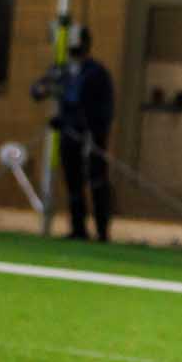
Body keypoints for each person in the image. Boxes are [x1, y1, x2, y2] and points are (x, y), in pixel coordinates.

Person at [54, 27, 115, 243]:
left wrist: (95, 130)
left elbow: (105, 107)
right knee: (73, 181)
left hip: (91, 135)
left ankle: (102, 230)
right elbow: (43, 89)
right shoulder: (63, 72)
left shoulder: (97, 72)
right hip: (69, 133)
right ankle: (78, 227)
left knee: (97, 181)